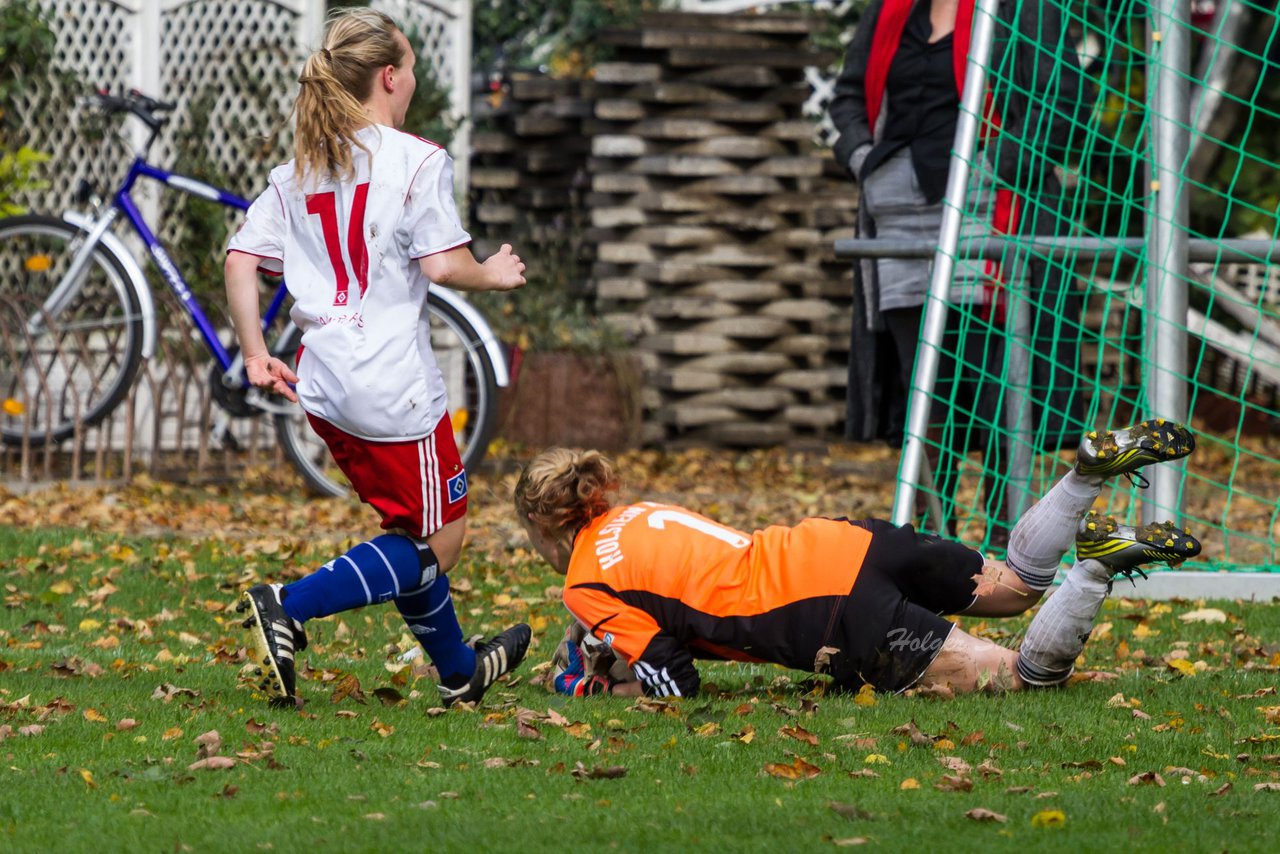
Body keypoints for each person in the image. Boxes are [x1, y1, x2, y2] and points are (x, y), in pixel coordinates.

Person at [224, 8, 530, 709]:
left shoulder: (298, 171)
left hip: (325, 390)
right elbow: (447, 267)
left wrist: (254, 352)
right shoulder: (416, 160)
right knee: (439, 546)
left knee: (407, 532)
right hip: (394, 392)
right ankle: (288, 604)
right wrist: (496, 270)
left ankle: (459, 673)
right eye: (414, 67)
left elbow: (241, 259)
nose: (416, 78)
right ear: (389, 77)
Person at [515, 421, 1199, 698]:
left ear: (547, 532)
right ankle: (1083, 477)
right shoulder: (633, 514)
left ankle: (1097, 568)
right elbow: (681, 589)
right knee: (1018, 585)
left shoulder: (582, 584)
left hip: (827, 614)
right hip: (843, 542)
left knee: (1016, 679)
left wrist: (610, 687)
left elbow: (674, 678)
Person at [828, 0, 1087, 545]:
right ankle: (927, 547)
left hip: (989, 212)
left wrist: (997, 166)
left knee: (996, 385)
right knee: (921, 385)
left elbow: (1063, 100)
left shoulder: (1024, 10)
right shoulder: (892, 11)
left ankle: (1007, 546)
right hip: (898, 219)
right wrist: (861, 158)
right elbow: (849, 96)